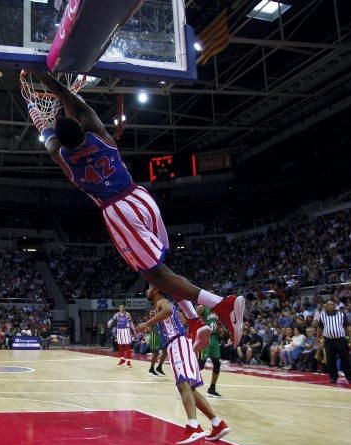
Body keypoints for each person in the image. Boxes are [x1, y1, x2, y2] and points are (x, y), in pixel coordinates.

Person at [27, 70, 244, 349]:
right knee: (158, 269)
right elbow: (71, 100)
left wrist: (39, 120)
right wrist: (46, 79)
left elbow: (49, 139)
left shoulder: (63, 159)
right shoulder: (100, 135)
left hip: (118, 211)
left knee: (154, 274)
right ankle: (195, 321)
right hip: (139, 197)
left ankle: (221, 305)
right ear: (82, 127)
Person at [137, 285, 230, 445]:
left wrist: (147, 323)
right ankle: (217, 424)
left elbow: (167, 312)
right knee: (190, 389)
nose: (147, 290)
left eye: (149, 288)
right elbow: (183, 320)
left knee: (182, 384)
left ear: (156, 290)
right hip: (181, 342)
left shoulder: (162, 302)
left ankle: (194, 427)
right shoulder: (164, 305)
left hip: (178, 342)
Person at [316, 300, 351, 384]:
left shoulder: (341, 314)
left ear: (335, 306)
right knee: (330, 360)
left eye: (332, 305)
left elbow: (347, 327)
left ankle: (350, 377)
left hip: (341, 340)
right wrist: (317, 338)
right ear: (326, 306)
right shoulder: (322, 316)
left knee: (345, 359)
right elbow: (320, 328)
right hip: (328, 340)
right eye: (329, 305)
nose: (331, 306)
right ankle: (333, 377)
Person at [196, 305, 222, 398]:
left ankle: (212, 389)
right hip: (204, 337)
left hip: (214, 338)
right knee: (200, 364)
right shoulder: (202, 307)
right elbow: (194, 321)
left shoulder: (217, 310)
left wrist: (219, 329)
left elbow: (216, 323)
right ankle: (185, 384)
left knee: (217, 364)